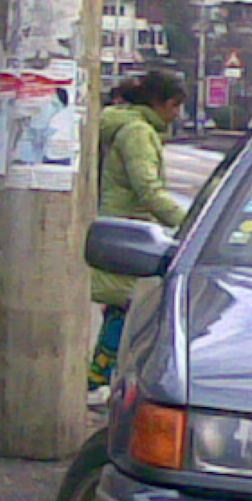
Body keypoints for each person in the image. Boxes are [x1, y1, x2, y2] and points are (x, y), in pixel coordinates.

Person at [87, 70, 191, 400]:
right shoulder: (137, 133)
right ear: (160, 103)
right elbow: (148, 190)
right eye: (175, 106)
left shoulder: (133, 127)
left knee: (123, 309)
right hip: (130, 232)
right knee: (126, 309)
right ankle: (98, 380)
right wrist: (189, 223)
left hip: (125, 227)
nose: (176, 114)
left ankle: (101, 377)